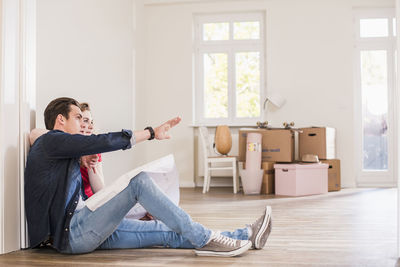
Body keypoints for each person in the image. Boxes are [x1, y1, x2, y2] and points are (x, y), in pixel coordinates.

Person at [25, 97, 272, 257]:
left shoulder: (58, 148)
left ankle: (246, 235)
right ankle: (207, 239)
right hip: (73, 233)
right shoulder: (52, 141)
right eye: (78, 118)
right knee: (139, 181)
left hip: (85, 228)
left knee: (165, 231)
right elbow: (102, 140)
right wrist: (152, 132)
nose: (83, 124)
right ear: (61, 120)